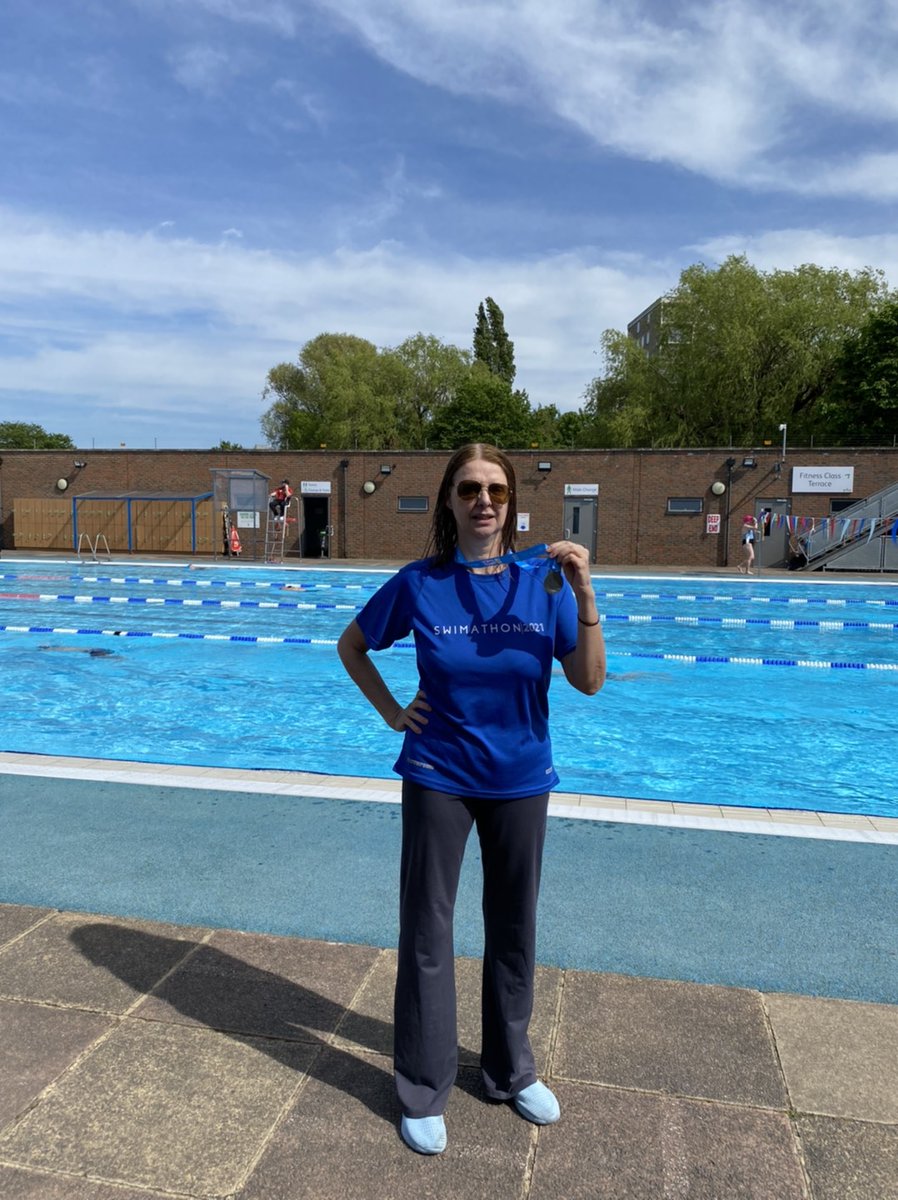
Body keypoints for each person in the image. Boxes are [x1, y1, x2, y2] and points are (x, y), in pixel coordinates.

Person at [337, 443, 606, 1156]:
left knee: (514, 925)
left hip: (521, 777)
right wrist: (394, 713)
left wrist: (584, 595)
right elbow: (353, 646)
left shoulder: (543, 581)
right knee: (428, 931)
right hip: (438, 772)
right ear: (449, 502)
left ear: (512, 502)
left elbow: (588, 681)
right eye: (468, 489)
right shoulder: (420, 583)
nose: (482, 500)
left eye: (494, 489)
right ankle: (423, 1086)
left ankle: (508, 1070)